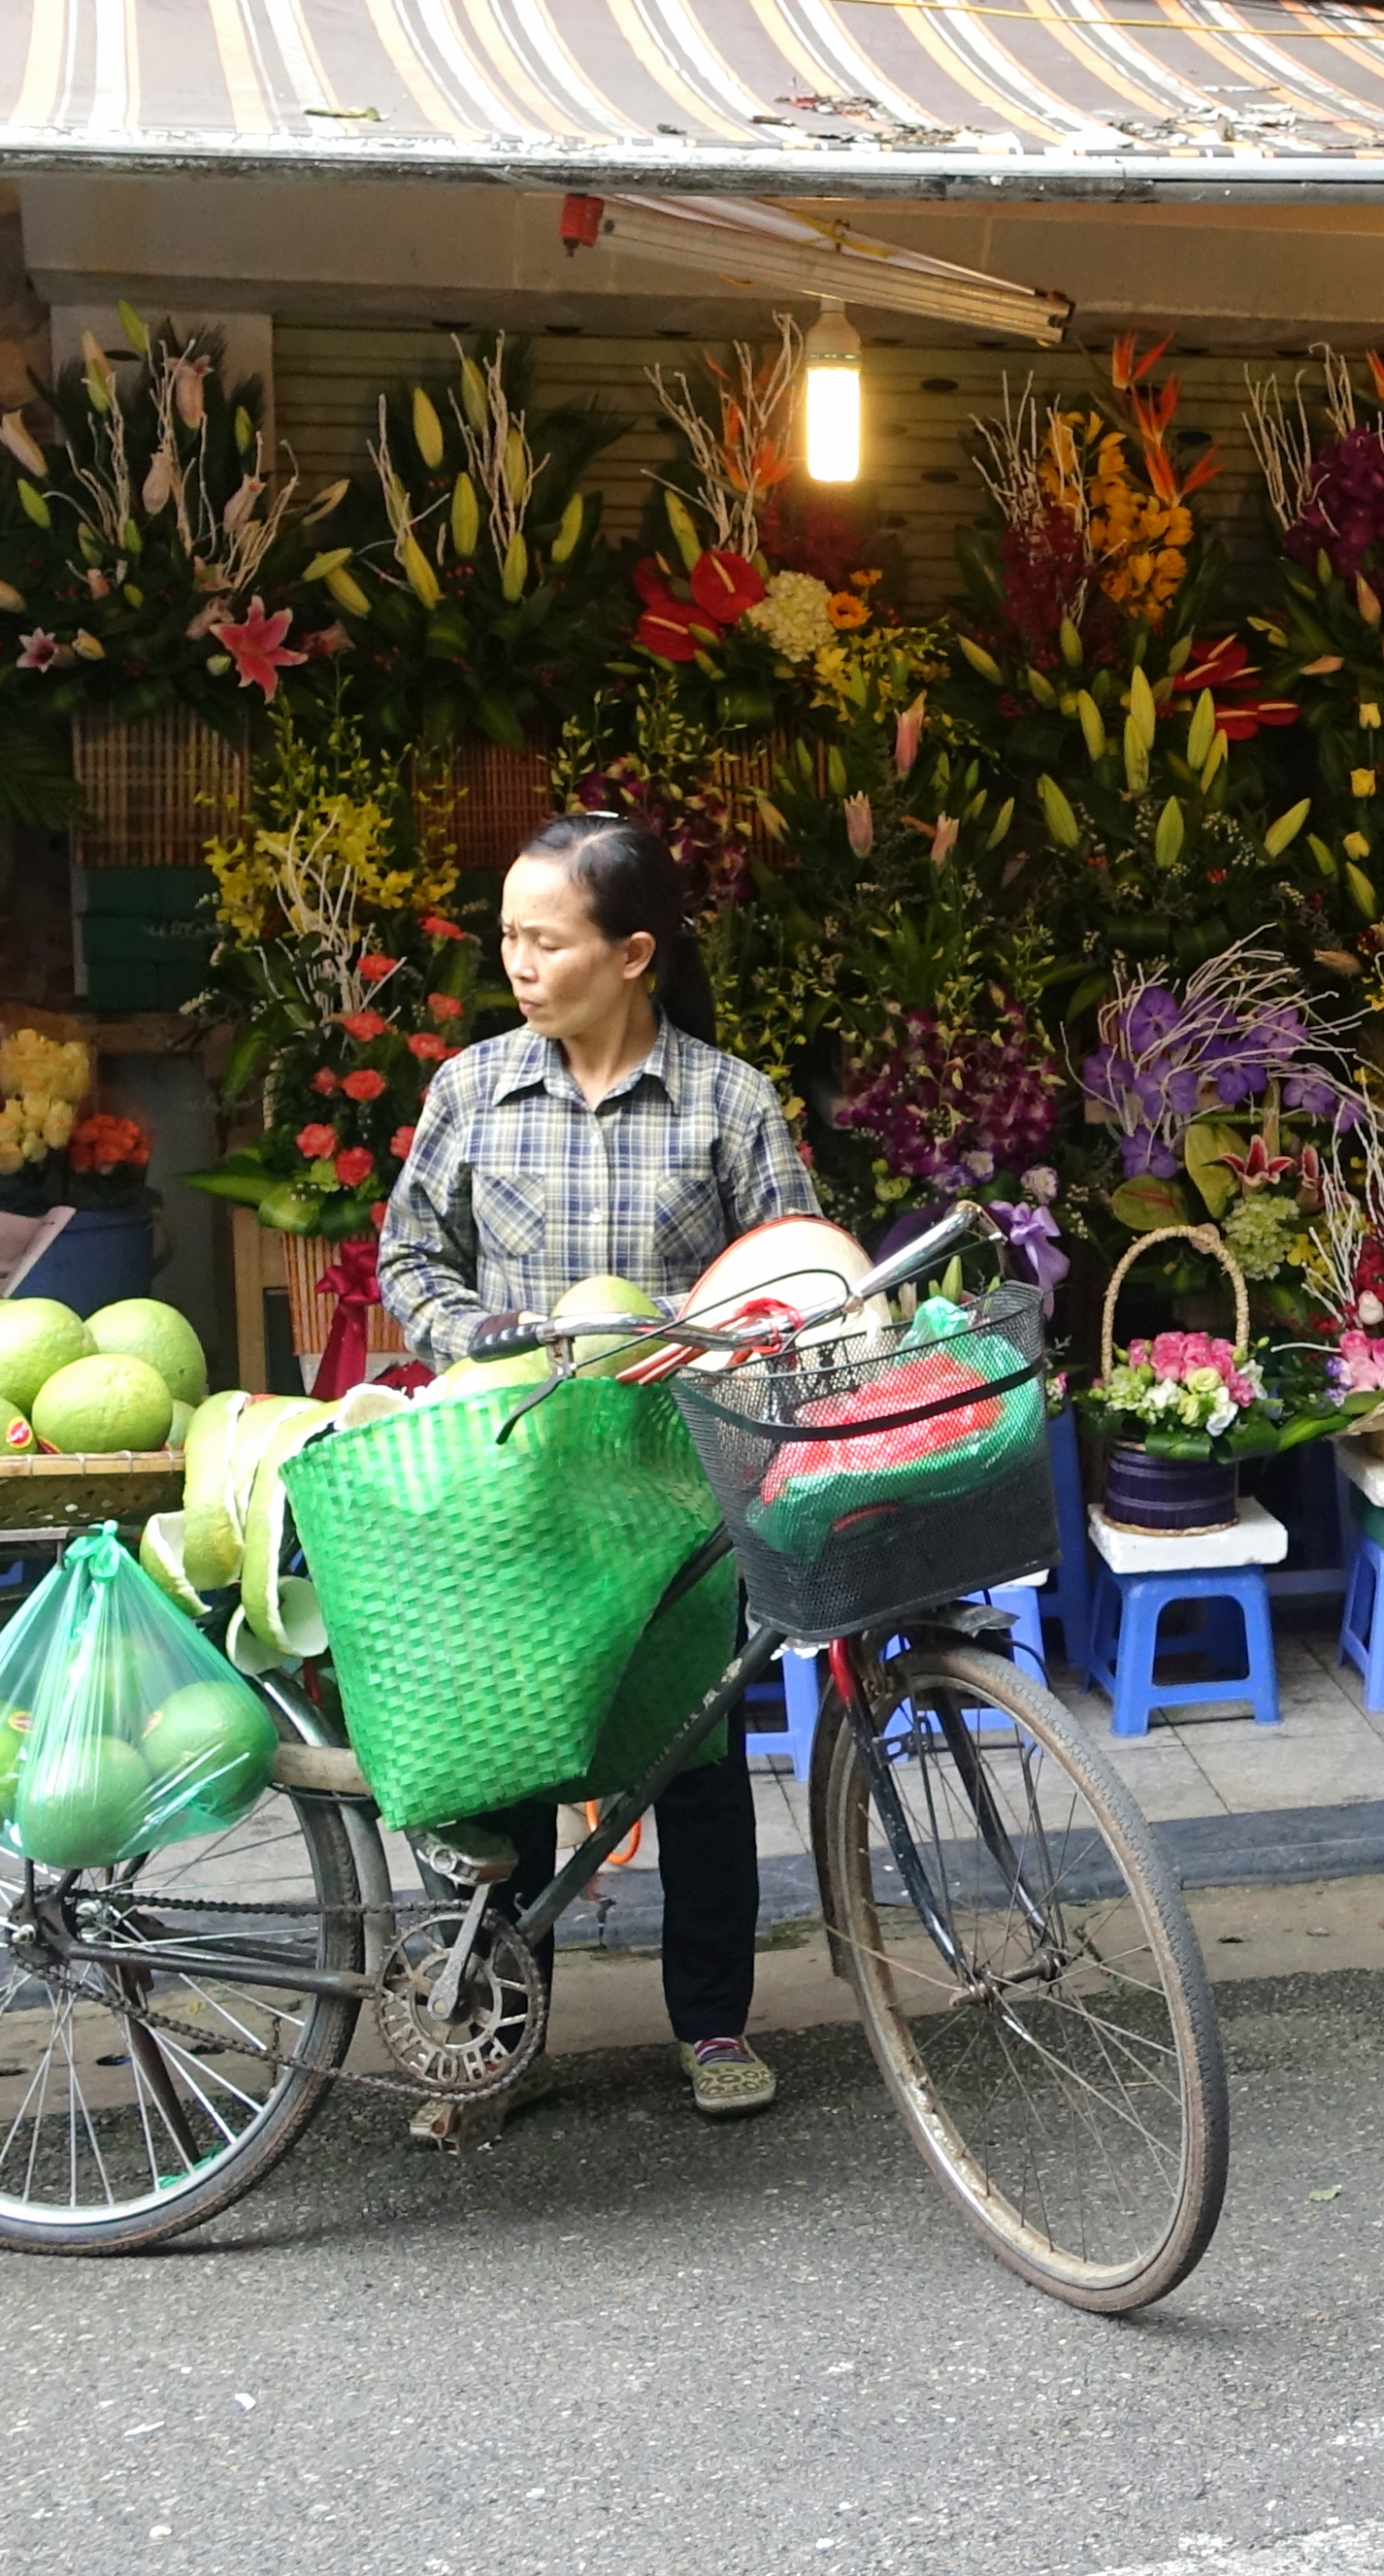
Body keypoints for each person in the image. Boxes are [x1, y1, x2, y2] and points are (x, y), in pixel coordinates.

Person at [376, 812, 821, 2134]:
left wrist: (702, 1342)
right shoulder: (470, 1090)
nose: (517, 960)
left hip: (676, 1490)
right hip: (510, 1481)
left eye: (545, 937)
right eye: (507, 935)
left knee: (690, 1761)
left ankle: (715, 2021)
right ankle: (494, 2037)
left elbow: (791, 1281)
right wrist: (481, 1335)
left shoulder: (728, 1101)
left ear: (632, 953)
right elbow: (411, 1261)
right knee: (503, 1769)